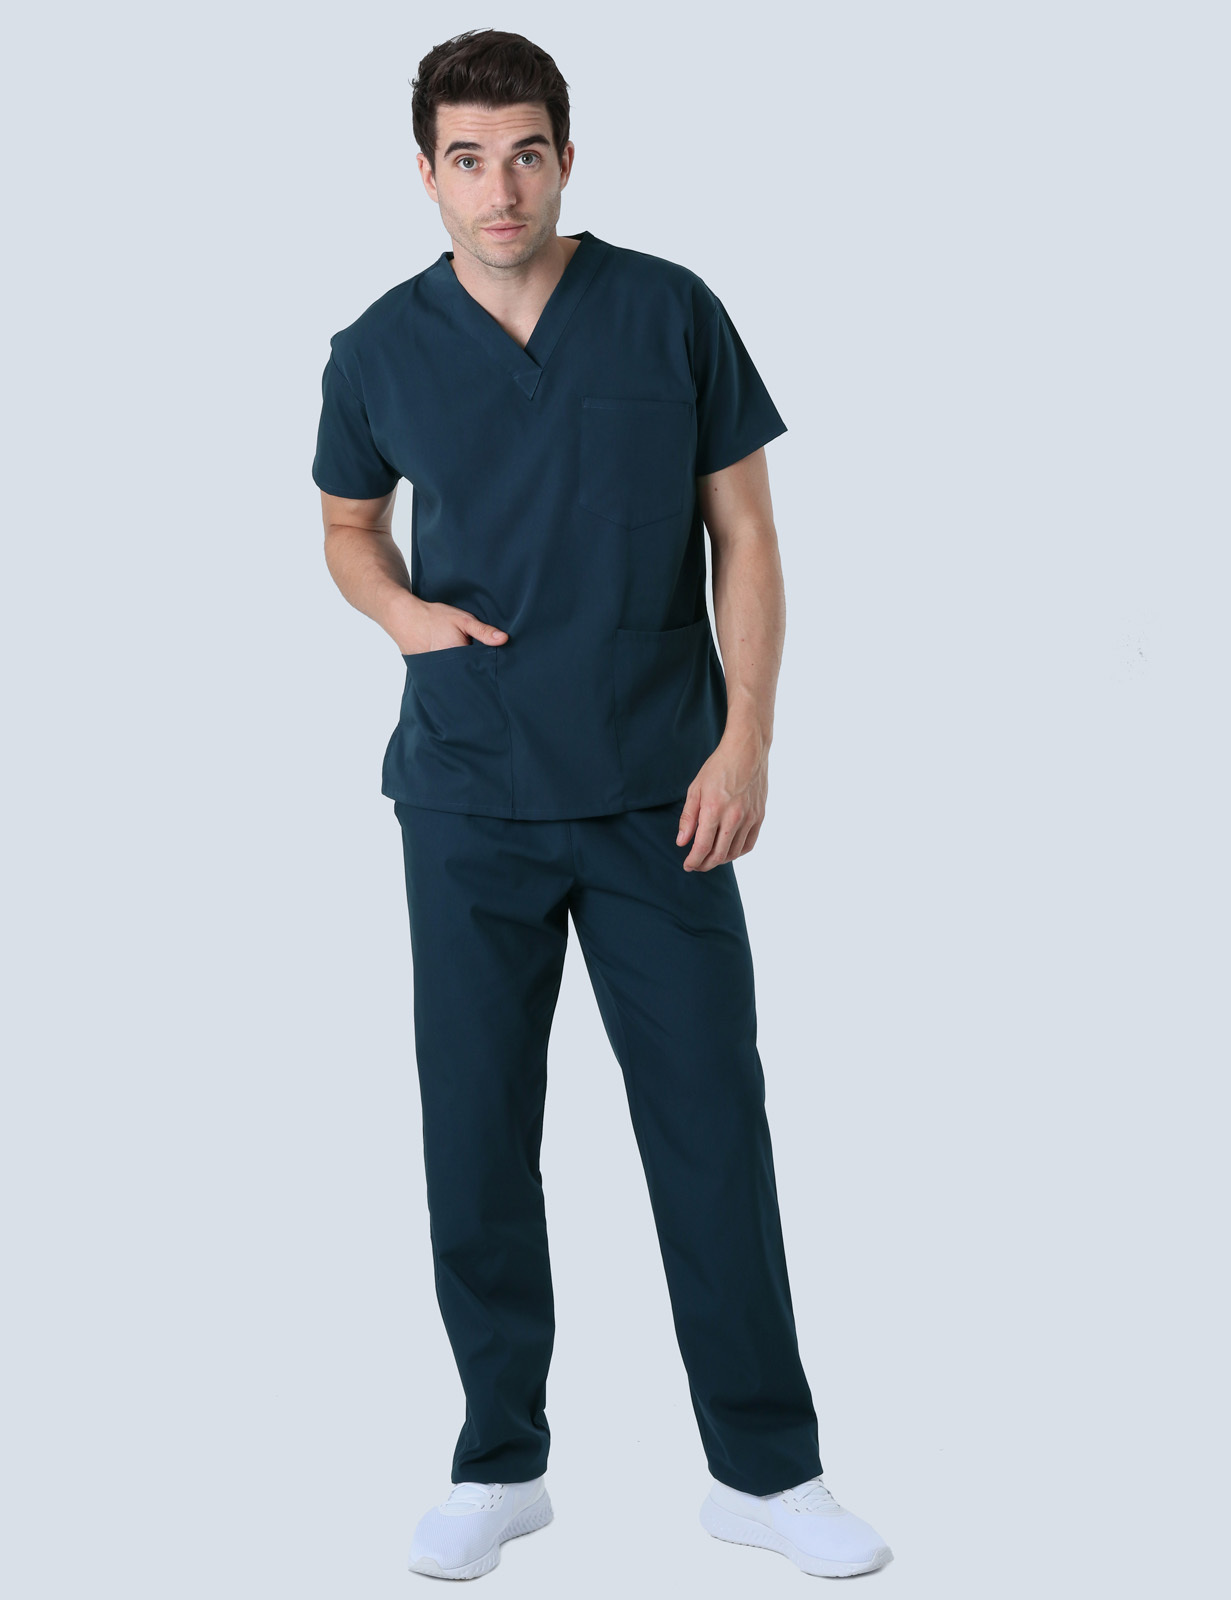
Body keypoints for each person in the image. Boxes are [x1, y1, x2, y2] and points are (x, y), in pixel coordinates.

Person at [311, 26, 893, 1584]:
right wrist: (400, 613)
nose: (499, 187)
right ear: (426, 174)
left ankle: (766, 1471)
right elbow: (347, 524)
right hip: (469, 795)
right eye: (467, 158)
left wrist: (746, 738)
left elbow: (745, 535)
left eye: (525, 153)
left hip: (661, 792)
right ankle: (498, 1462)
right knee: (476, 1136)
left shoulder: (668, 311)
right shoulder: (375, 349)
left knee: (710, 1127)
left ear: (567, 157)